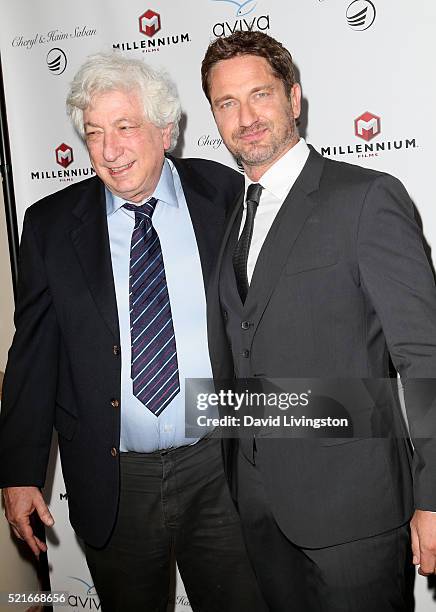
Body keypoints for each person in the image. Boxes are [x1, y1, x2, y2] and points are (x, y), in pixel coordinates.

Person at [0, 52, 267, 612]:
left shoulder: (224, 194)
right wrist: (20, 472)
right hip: (114, 476)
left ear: (166, 130)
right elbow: (33, 355)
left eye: (125, 127)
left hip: (218, 464)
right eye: (94, 133)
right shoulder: (50, 225)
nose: (109, 150)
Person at [201, 30, 436, 611]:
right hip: (257, 505)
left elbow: (424, 356)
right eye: (226, 103)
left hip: (355, 510)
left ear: (294, 98)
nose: (246, 116)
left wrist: (432, 498)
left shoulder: (365, 197)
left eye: (260, 94)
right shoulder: (232, 215)